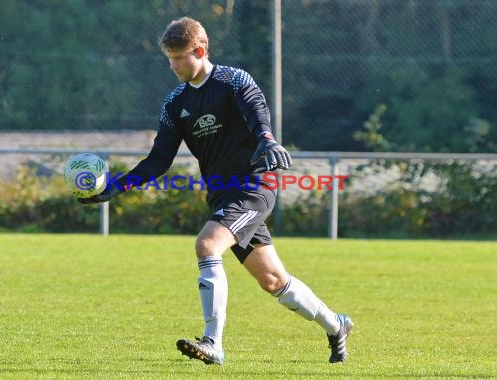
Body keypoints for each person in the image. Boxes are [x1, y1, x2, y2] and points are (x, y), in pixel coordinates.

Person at [79, 17, 353, 365]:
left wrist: (266, 139)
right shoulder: (174, 103)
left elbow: (257, 113)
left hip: (255, 185)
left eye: (179, 57)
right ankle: (336, 325)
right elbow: (158, 160)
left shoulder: (233, 80)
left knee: (207, 244)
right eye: (169, 58)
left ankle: (213, 343)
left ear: (200, 50)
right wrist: (116, 187)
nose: (173, 65)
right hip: (224, 195)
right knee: (273, 280)